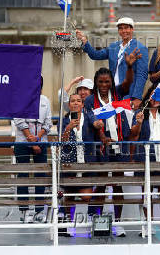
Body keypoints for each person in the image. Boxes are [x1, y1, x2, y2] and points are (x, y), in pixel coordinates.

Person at [84, 67, 132, 237]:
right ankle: (97, 221)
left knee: (117, 184)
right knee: (102, 183)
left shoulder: (118, 96)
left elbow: (128, 82)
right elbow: (92, 118)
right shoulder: (90, 100)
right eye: (100, 82)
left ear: (111, 82)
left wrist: (130, 66)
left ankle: (118, 223)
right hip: (100, 148)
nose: (104, 85)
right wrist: (102, 134)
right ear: (96, 83)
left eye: (107, 82)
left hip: (119, 146)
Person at [129, 85, 160, 237]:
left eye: (159, 96)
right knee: (146, 193)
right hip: (147, 156)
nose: (156, 99)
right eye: (153, 95)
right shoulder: (140, 113)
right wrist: (139, 123)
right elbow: (134, 135)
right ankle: (148, 223)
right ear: (148, 98)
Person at [76, 17, 148, 110]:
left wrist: (137, 97)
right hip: (112, 92)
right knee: (111, 121)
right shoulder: (113, 47)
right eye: (121, 28)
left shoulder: (140, 48)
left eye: (126, 28)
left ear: (132, 29)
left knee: (126, 122)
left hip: (128, 93)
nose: (124, 31)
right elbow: (95, 55)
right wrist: (84, 41)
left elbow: (142, 75)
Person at [58, 93, 103, 237]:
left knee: (86, 197)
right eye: (73, 101)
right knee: (69, 197)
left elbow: (96, 123)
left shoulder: (89, 116)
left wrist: (98, 124)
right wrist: (68, 128)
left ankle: (91, 220)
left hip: (86, 163)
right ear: (69, 104)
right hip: (70, 164)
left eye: (79, 101)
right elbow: (62, 142)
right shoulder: (64, 120)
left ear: (82, 104)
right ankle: (66, 225)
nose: (76, 103)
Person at [13, 76, 52, 223]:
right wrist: (31, 139)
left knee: (40, 177)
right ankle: (24, 211)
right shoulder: (20, 98)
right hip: (22, 142)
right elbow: (18, 120)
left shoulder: (45, 100)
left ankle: (39, 211)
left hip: (41, 141)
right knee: (22, 176)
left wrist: (38, 138)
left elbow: (48, 122)